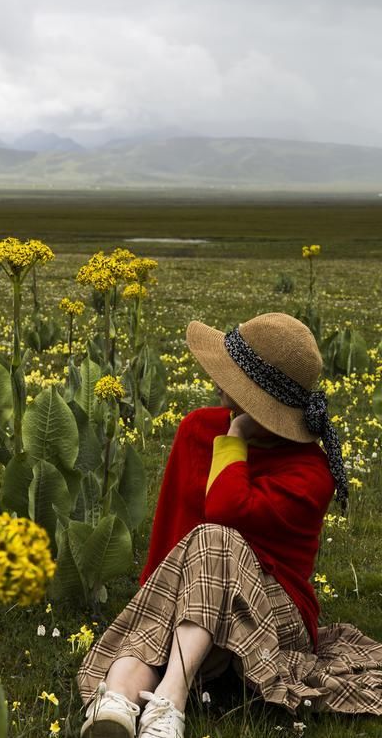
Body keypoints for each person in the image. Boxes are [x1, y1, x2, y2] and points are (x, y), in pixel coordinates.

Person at [77, 312, 382, 738]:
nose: (218, 379)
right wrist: (154, 603)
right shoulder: (196, 429)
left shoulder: (311, 473)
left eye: (232, 373)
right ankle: (120, 703)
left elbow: (223, 512)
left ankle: (170, 698)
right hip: (195, 615)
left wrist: (236, 436)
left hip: (276, 615)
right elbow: (171, 528)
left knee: (215, 538)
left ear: (257, 397)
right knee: (200, 549)